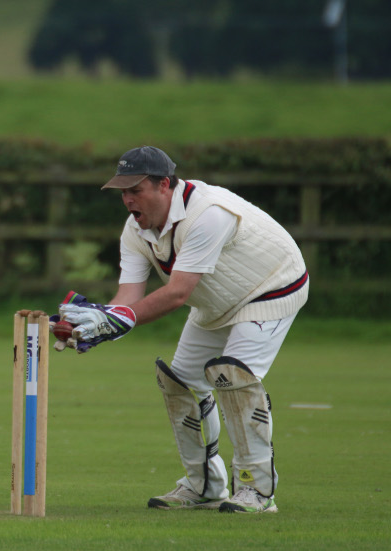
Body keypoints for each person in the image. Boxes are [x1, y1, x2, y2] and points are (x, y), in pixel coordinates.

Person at [56, 145, 308, 514]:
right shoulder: (135, 230)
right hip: (214, 302)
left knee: (231, 375)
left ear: (164, 185)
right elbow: (128, 299)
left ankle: (257, 490)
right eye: (122, 192)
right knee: (179, 382)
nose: (127, 200)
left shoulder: (209, 214)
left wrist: (113, 321)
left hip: (272, 288)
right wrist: (86, 324)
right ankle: (203, 485)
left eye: (135, 190)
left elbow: (176, 294)